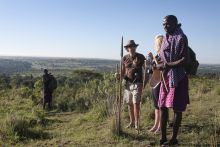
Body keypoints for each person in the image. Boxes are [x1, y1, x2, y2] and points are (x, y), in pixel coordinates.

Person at [155, 15, 190, 146]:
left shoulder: (181, 37)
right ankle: (163, 138)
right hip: (165, 77)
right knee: (162, 106)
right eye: (163, 24)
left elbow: (185, 60)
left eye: (168, 24)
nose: (165, 26)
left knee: (177, 109)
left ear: (175, 24)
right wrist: (157, 64)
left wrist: (167, 65)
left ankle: (173, 139)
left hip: (178, 77)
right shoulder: (165, 38)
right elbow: (163, 58)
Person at [116, 40, 146, 130]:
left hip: (138, 83)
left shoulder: (141, 57)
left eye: (133, 46)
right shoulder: (124, 58)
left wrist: (145, 81)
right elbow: (122, 72)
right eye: (130, 47)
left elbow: (147, 69)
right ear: (127, 49)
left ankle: (137, 123)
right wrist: (118, 76)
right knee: (129, 104)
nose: (131, 48)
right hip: (128, 84)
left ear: (135, 47)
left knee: (136, 103)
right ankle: (132, 122)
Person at [147, 35, 164, 134]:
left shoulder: (163, 55)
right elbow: (150, 71)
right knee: (156, 106)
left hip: (161, 83)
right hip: (154, 83)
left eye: (158, 42)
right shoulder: (157, 56)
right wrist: (149, 62)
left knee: (160, 106)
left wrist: (154, 60)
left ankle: (160, 126)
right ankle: (156, 124)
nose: (157, 44)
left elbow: (161, 68)